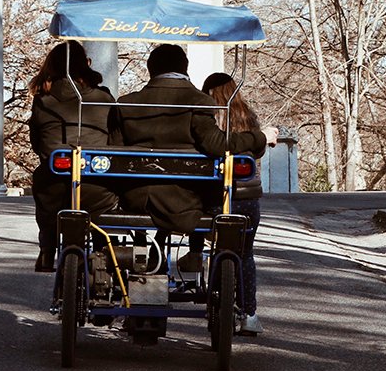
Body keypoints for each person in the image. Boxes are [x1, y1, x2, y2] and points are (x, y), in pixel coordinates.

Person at [114, 44, 273, 236]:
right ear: (185, 66)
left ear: (150, 68)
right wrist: (260, 137)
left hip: (134, 197)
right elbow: (217, 144)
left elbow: (115, 148)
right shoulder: (199, 101)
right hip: (182, 202)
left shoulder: (125, 104)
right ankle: (195, 254)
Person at [189, 72, 272, 335]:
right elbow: (258, 150)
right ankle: (249, 314)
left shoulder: (204, 116)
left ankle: (194, 254)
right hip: (245, 197)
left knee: (199, 222)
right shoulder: (247, 114)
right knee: (245, 253)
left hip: (211, 197)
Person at [28, 41, 120, 272]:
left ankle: (47, 250)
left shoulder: (42, 101)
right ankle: (104, 249)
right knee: (104, 205)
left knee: (44, 184)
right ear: (85, 65)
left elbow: (36, 143)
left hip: (55, 186)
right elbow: (117, 140)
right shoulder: (104, 99)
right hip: (97, 185)